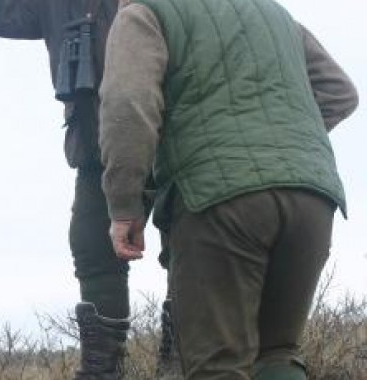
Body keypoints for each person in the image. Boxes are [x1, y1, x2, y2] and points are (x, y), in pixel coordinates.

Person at [98, 0, 358, 378]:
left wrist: (124, 205)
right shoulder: (274, 14)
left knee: (218, 364)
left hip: (218, 201)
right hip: (312, 197)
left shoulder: (144, 12)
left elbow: (128, 105)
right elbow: (340, 91)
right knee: (278, 354)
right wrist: (281, 142)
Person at [0, 1, 144, 378]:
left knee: (188, 246)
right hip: (95, 147)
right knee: (91, 244)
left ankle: (185, 362)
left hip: (164, 132)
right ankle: (104, 371)